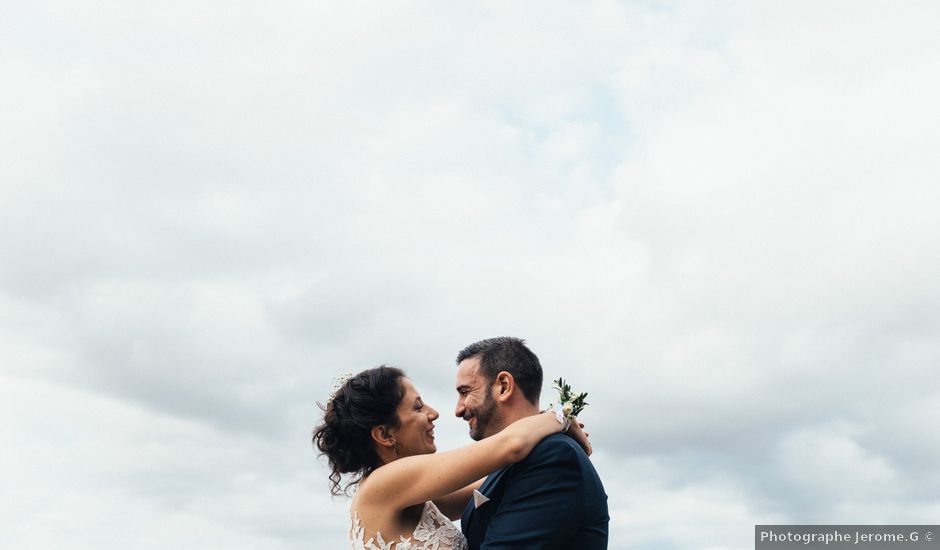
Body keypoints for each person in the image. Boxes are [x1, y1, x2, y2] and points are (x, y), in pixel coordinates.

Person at [312, 365, 591, 550]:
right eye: (418, 406)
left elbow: (495, 481)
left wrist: (553, 443)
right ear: (385, 435)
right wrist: (561, 419)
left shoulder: (411, 496)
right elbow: (511, 446)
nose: (433, 413)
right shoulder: (385, 483)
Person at [455, 337, 609, 549]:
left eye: (465, 392)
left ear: (504, 386)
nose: (458, 409)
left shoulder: (554, 457)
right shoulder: (514, 461)